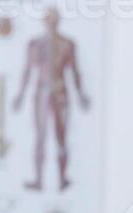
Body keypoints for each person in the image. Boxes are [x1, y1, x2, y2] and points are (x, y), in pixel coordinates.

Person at [12, 7, 90, 192]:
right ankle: (38, 180)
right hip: (42, 93)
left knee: (61, 137)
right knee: (40, 137)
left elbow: (75, 71)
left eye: (54, 19)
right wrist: (20, 96)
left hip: (60, 93)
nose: (51, 23)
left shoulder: (67, 44)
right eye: (49, 20)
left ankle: (62, 179)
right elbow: (28, 71)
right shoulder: (35, 44)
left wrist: (80, 95)